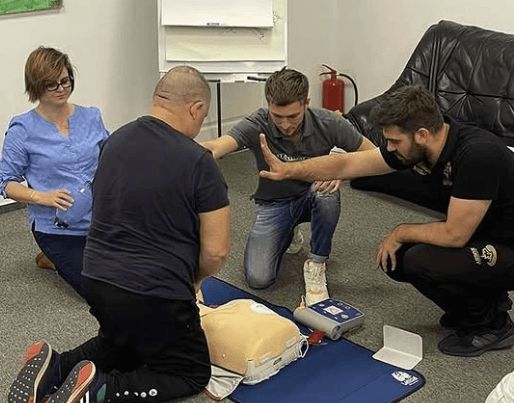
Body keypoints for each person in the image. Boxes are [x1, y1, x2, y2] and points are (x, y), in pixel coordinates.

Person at [8, 66, 231, 403]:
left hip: (96, 278)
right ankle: (99, 392)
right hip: (155, 292)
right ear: (196, 108)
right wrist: (193, 281)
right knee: (190, 371)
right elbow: (216, 252)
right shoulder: (199, 162)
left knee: (121, 344)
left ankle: (56, 367)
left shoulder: (115, 141)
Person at [258, 84, 514, 357]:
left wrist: (402, 230)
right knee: (397, 257)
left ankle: (493, 326)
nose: (389, 148)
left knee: (419, 258)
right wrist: (288, 170)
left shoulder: (477, 155)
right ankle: (485, 301)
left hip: (507, 247)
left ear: (422, 135)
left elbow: (455, 235)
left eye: (394, 142)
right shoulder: (421, 144)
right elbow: (347, 164)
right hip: (483, 235)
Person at [201, 67, 375, 305]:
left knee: (326, 192)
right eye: (277, 116)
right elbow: (218, 146)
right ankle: (290, 232)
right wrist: (180, 152)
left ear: (306, 103)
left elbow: (373, 155)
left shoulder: (329, 122)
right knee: (258, 279)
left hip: (313, 195)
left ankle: (316, 263)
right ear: (269, 105)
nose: (284, 124)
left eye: (292, 116)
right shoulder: (257, 122)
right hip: (273, 204)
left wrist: (341, 171)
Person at [0, 46, 109, 297]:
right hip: (56, 227)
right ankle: (54, 257)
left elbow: (111, 156)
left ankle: (65, 258)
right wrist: (42, 197)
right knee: (101, 293)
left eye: (66, 80)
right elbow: (6, 183)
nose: (62, 88)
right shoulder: (22, 129)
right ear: (36, 86)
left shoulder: (91, 116)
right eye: (52, 84)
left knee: (139, 268)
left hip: (101, 218)